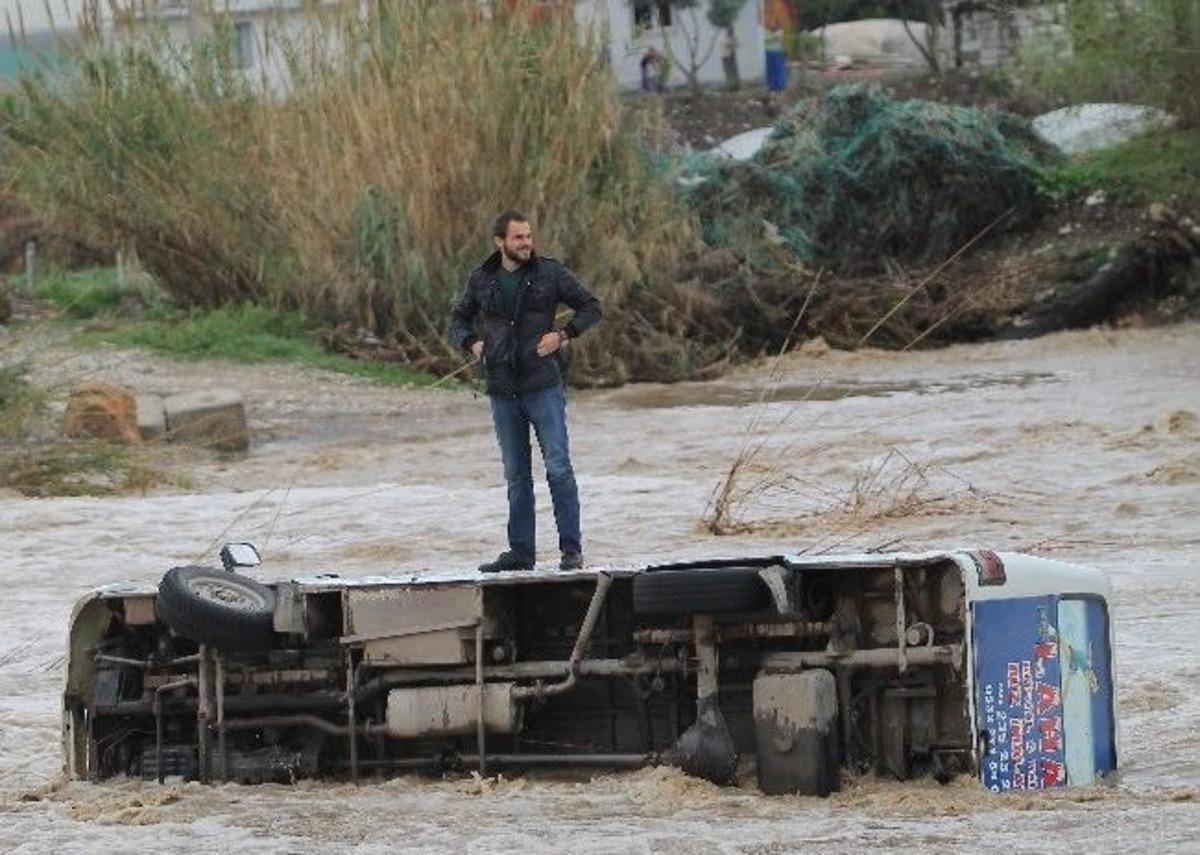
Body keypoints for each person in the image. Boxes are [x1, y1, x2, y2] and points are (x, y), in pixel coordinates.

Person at [449, 211, 602, 573]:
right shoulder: (482, 278)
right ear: (500, 242)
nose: (526, 244)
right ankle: (521, 554)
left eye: (529, 236)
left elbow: (591, 306)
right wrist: (471, 344)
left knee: (558, 468)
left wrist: (563, 335)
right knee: (516, 475)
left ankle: (571, 551)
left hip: (542, 386)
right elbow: (458, 320)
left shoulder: (550, 273)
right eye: (518, 238)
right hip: (502, 389)